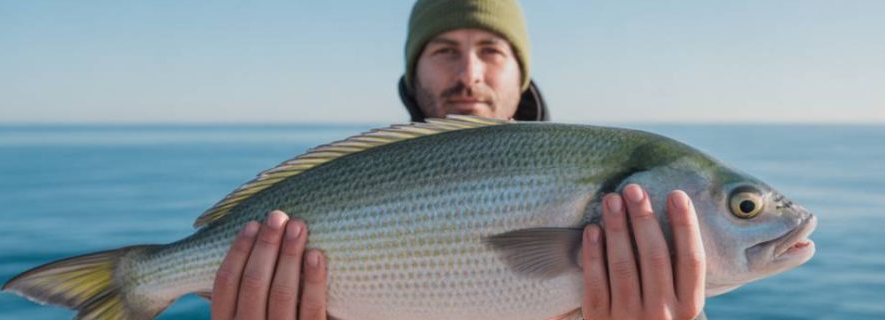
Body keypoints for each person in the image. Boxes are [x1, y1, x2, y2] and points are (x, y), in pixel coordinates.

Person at [211, 1, 706, 319]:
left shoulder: (601, 168)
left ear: (521, 74)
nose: (469, 73)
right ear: (413, 74)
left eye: (491, 50)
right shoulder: (356, 173)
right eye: (445, 50)